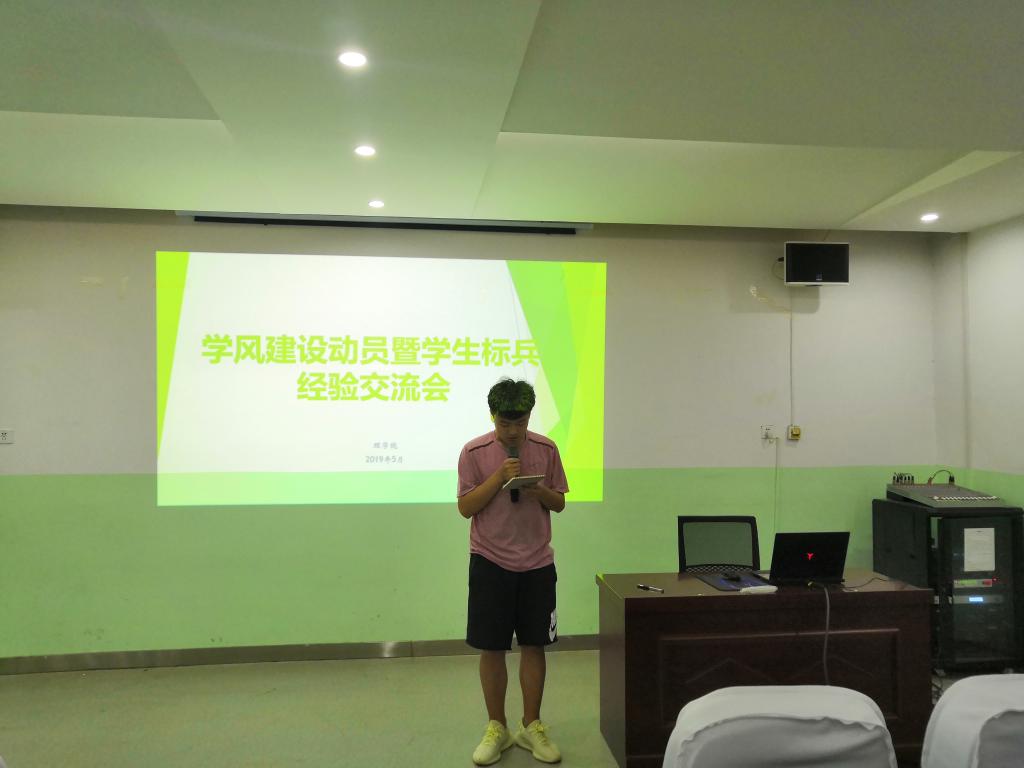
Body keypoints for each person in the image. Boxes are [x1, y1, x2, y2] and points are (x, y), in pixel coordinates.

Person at [458, 378, 569, 765]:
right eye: (505, 423)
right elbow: (465, 507)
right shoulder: (473, 452)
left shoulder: (547, 449)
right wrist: (497, 478)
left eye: (520, 423)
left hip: (537, 562)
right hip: (490, 562)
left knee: (534, 645)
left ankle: (531, 725)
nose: (513, 431)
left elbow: (560, 503)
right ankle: (497, 727)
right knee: (492, 647)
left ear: (529, 417)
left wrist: (539, 491)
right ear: (493, 416)